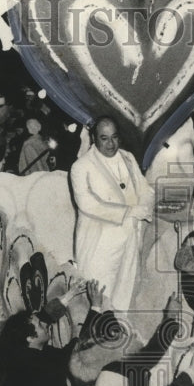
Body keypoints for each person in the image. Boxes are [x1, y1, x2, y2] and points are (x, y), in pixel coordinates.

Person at [70, 116, 154, 312]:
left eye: (114, 137)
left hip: (130, 238)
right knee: (100, 296)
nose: (111, 144)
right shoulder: (81, 167)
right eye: (104, 138)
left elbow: (145, 189)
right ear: (93, 138)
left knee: (124, 294)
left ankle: (118, 332)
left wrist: (144, 205)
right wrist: (131, 212)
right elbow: (87, 205)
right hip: (99, 244)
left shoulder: (128, 157)